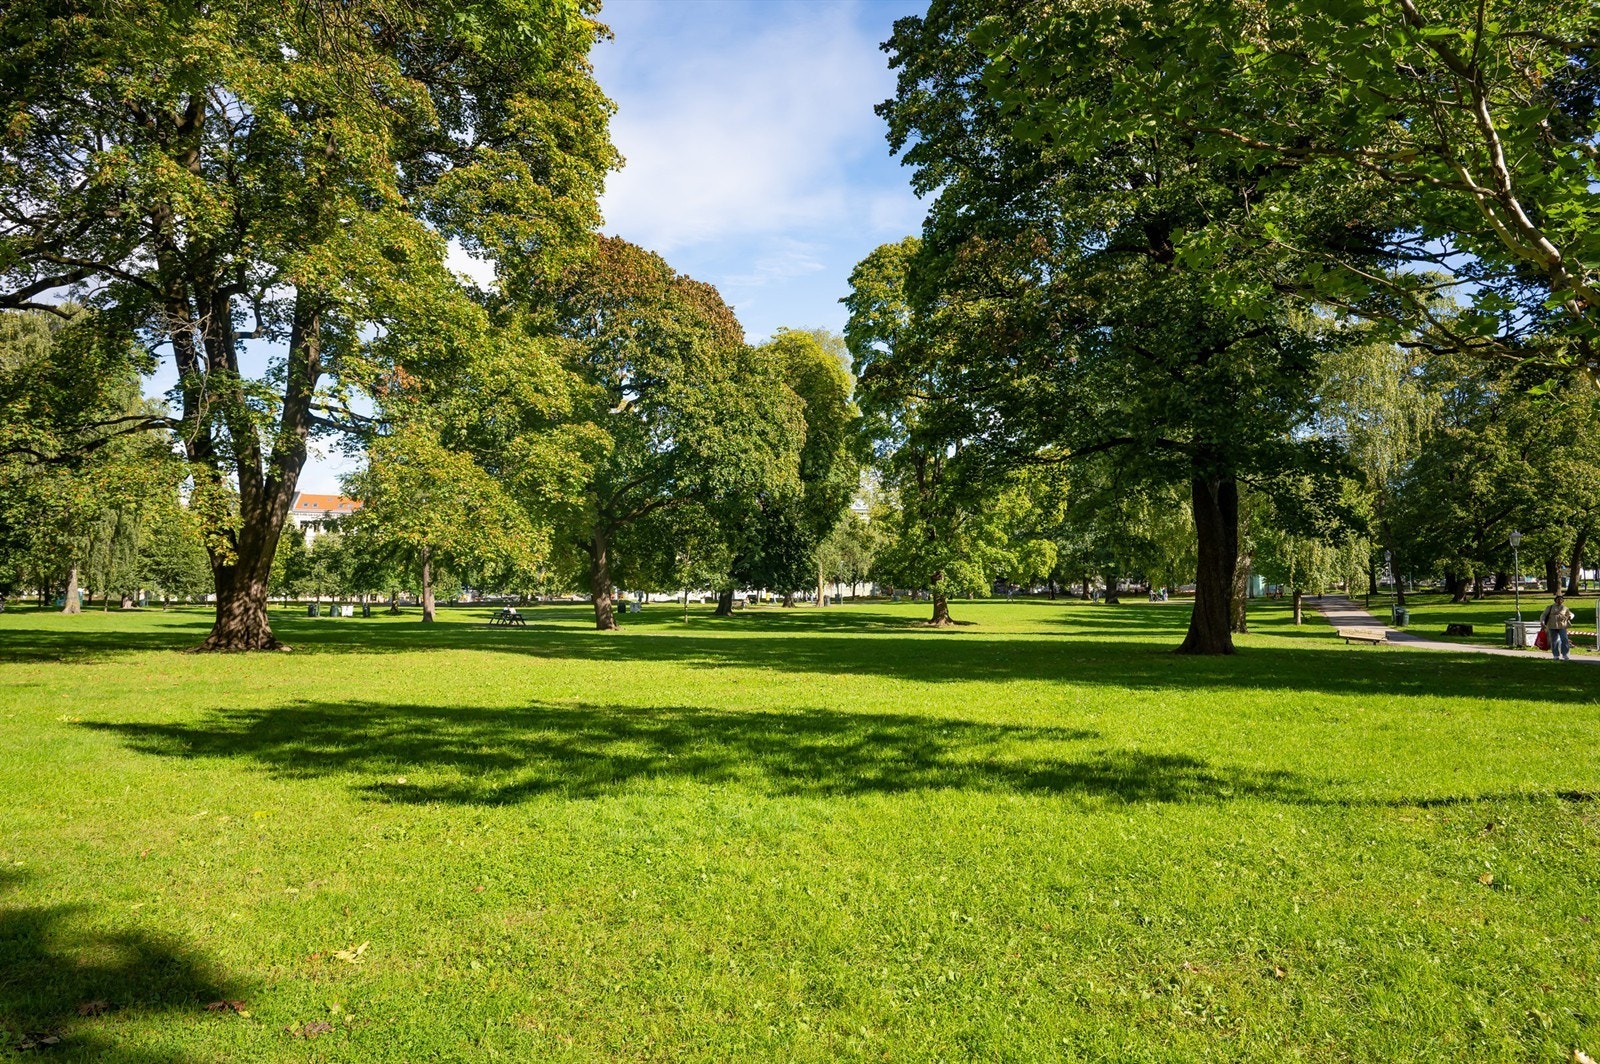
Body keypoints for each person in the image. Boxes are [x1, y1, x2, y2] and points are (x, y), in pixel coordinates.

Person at [1540, 594, 1575, 661]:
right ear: (1555, 600)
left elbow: (1571, 614)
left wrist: (1570, 616)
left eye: (1561, 600)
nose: (1559, 601)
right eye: (1558, 599)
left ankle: (1565, 654)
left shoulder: (1565, 608)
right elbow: (1544, 615)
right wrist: (1542, 621)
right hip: (1552, 625)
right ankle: (1555, 655)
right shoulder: (1550, 607)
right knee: (1554, 640)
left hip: (1562, 625)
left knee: (1564, 639)